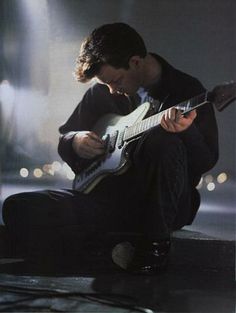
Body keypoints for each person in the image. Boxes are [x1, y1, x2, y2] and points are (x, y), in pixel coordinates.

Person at [2, 23, 219, 274]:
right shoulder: (102, 93)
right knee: (19, 206)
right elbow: (65, 137)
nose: (112, 89)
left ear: (135, 62)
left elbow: (206, 160)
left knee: (164, 142)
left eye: (115, 80)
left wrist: (187, 132)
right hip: (106, 202)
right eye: (106, 84)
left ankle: (153, 247)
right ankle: (109, 251)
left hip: (160, 207)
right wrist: (75, 141)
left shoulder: (186, 91)